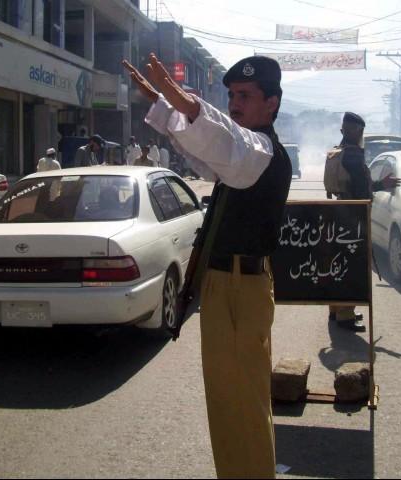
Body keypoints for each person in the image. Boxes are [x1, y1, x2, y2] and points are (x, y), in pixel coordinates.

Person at [124, 53, 292, 479]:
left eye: (246, 96)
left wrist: (188, 105)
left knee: (241, 406)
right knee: (228, 403)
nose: (235, 102)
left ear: (271, 103)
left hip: (241, 287)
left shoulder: (262, 151)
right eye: (231, 95)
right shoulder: (241, 154)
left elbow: (223, 140)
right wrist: (167, 103)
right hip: (226, 285)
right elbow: (204, 150)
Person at [323, 112, 401, 331]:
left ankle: (336, 311)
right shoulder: (355, 156)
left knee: (337, 263)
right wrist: (375, 190)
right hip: (353, 217)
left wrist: (378, 184)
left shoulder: (338, 151)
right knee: (351, 266)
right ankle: (346, 316)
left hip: (339, 212)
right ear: (358, 131)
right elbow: (361, 190)